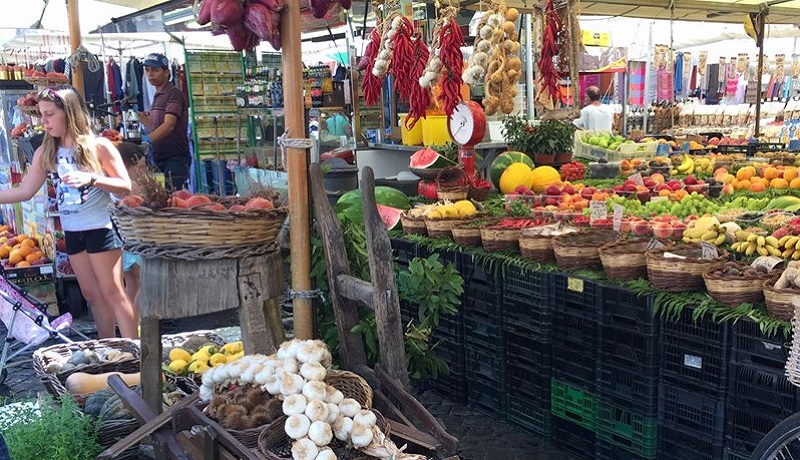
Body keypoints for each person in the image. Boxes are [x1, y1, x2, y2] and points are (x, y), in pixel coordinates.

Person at [0, 85, 137, 338]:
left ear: (69, 113)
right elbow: (25, 191)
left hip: (101, 227)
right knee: (91, 295)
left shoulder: (99, 146)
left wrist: (92, 179)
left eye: (50, 114)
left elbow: (125, 187)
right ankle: (107, 348)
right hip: (73, 231)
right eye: (41, 114)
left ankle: (135, 352)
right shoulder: (46, 151)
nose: (44, 121)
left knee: (113, 291)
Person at [138, 53, 190, 191]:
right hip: (158, 157)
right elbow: (158, 127)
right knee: (159, 197)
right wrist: (144, 121)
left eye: (155, 70)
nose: (150, 74)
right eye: (147, 70)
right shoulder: (158, 96)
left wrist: (146, 140)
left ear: (166, 72)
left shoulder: (173, 93)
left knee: (171, 198)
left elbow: (169, 125)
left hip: (175, 158)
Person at [115, 142, 145, 315]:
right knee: (145, 283)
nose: (144, 171)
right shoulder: (132, 185)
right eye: (140, 167)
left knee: (132, 284)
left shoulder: (116, 184)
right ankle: (139, 324)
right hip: (134, 240)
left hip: (121, 242)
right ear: (127, 166)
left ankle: (131, 325)